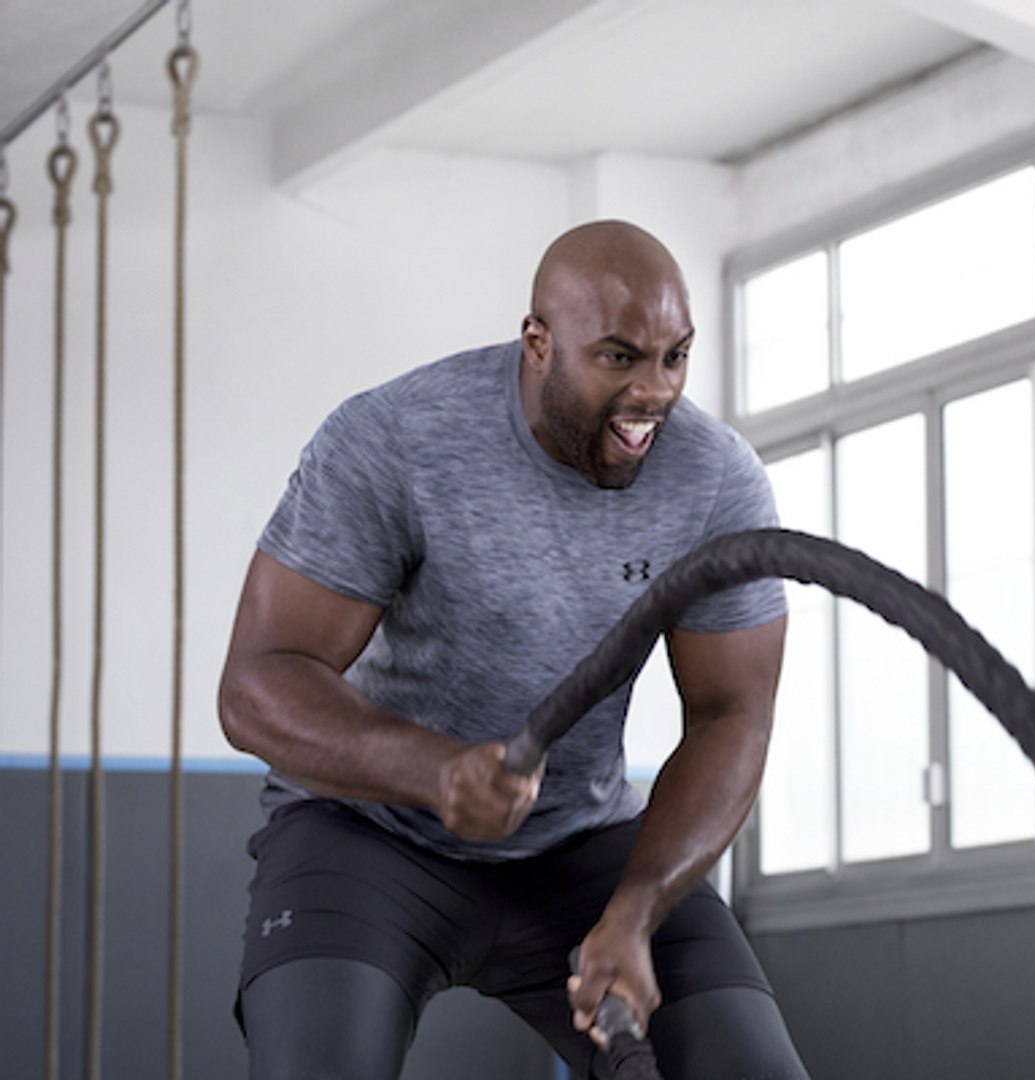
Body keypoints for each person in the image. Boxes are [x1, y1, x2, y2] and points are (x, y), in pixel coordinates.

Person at [218, 220, 809, 1079]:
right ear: (539, 343)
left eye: (675, 357)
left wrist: (637, 911)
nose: (654, 391)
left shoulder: (715, 478)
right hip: (369, 832)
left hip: (584, 848)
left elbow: (732, 713)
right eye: (618, 358)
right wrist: (435, 772)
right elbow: (257, 685)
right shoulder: (395, 439)